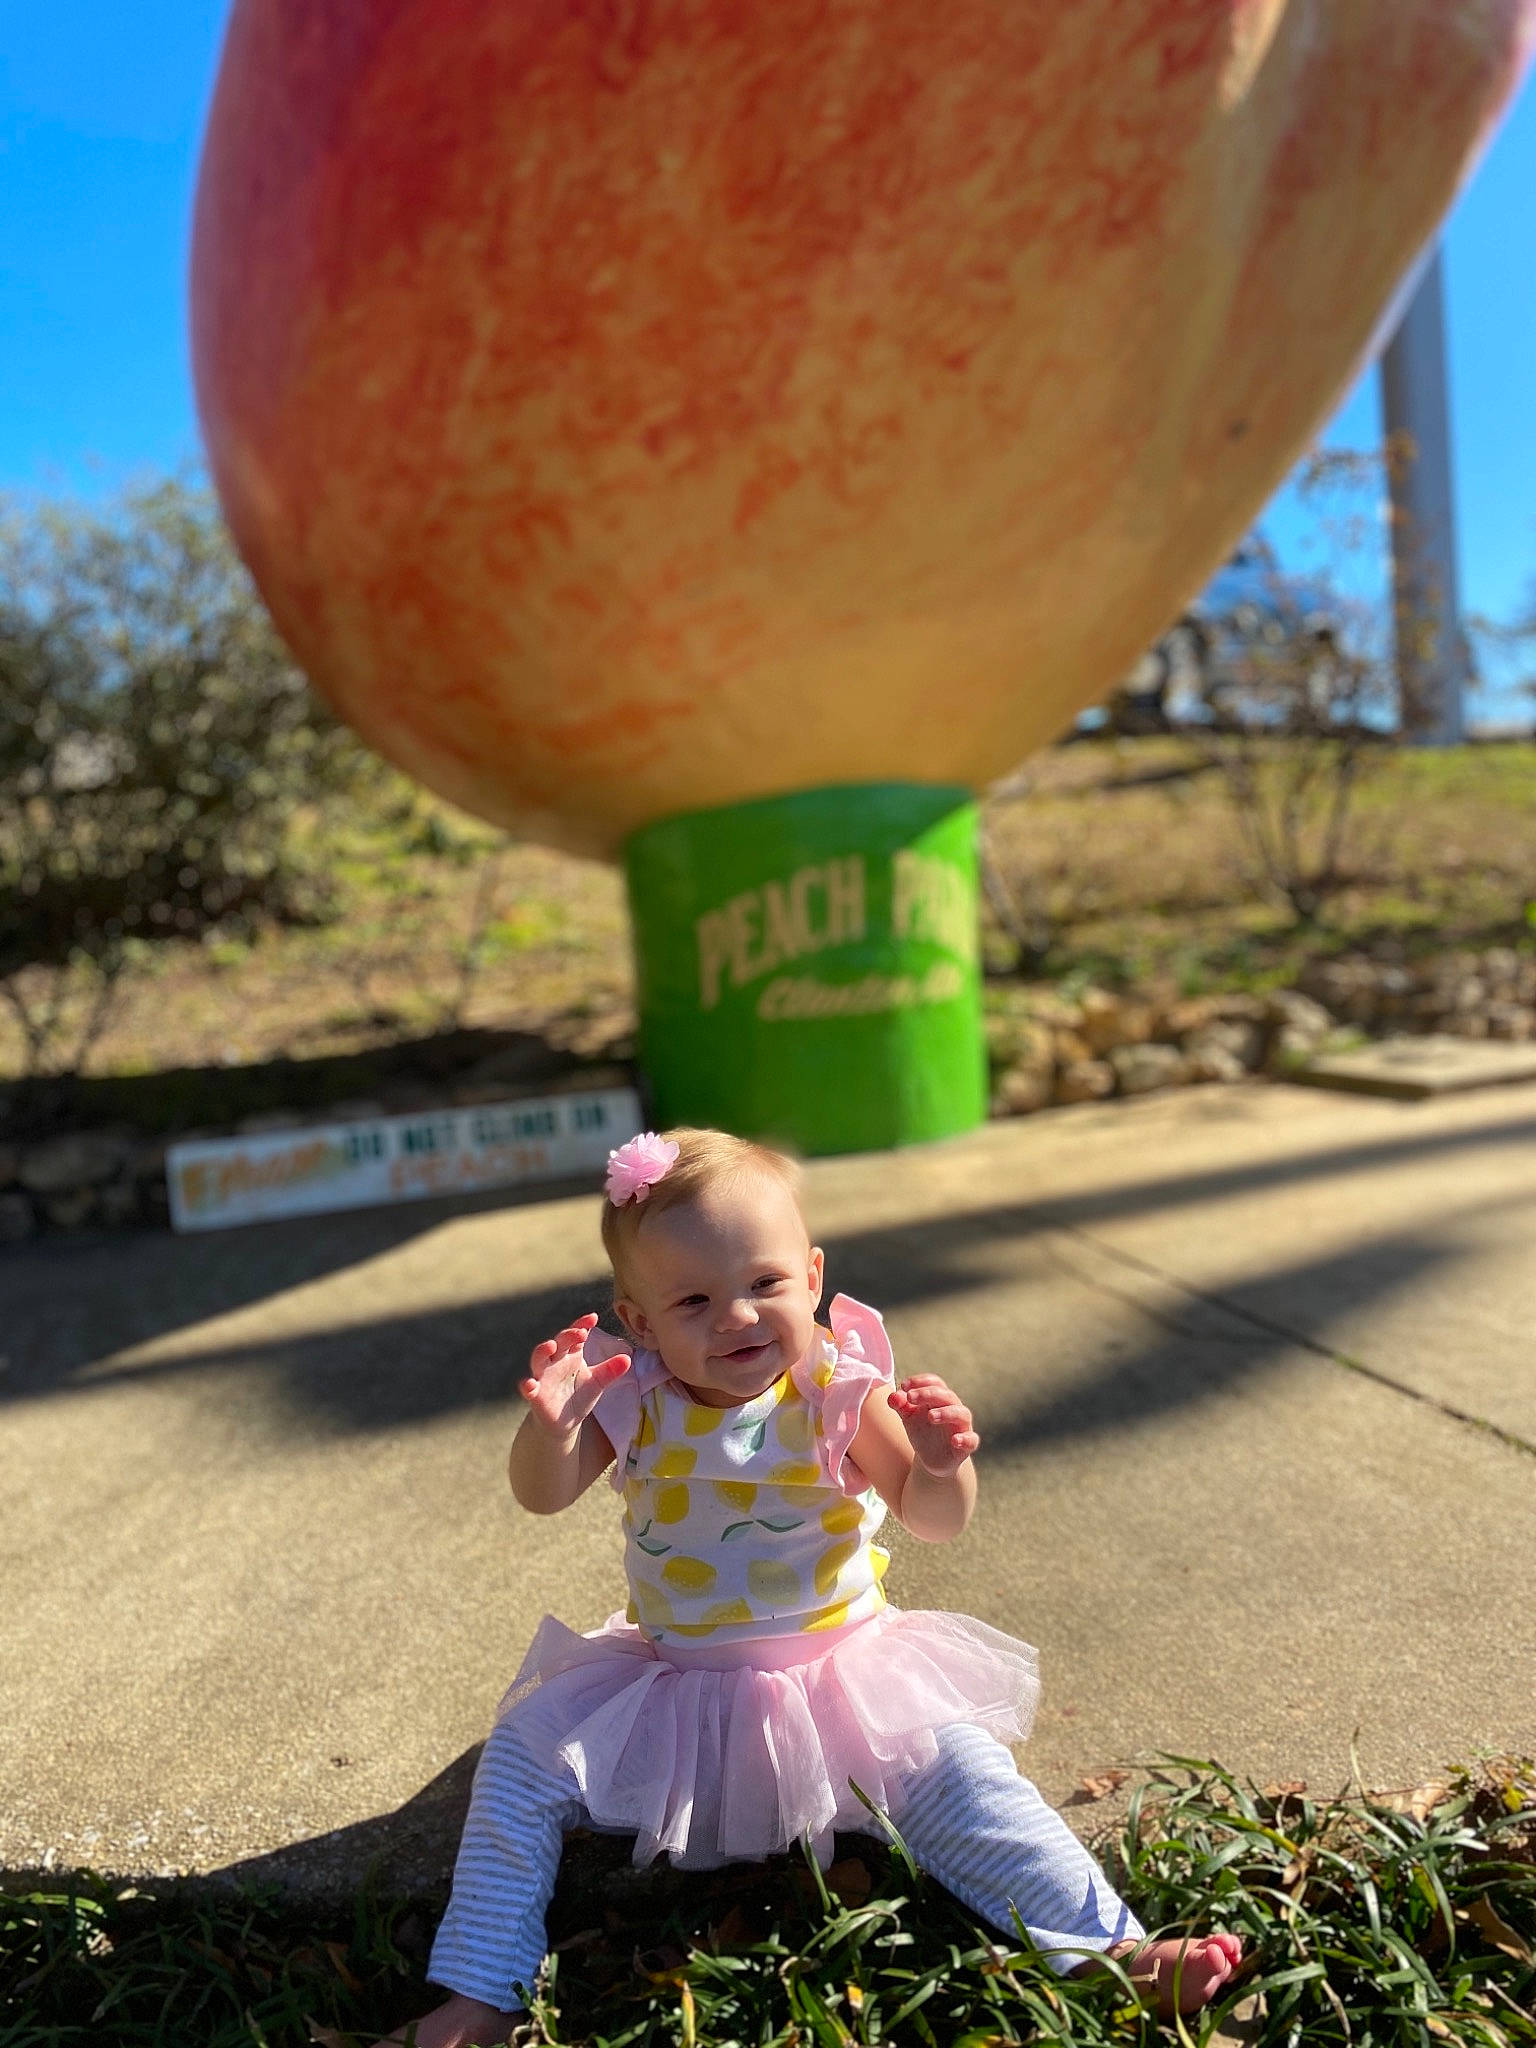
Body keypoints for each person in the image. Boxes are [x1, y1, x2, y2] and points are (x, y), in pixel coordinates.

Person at [376, 1128, 1241, 2047]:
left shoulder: (838, 1383)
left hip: (846, 1680)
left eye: (764, 1285)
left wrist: (943, 1465)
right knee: (523, 1755)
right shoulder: (634, 1397)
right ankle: (480, 1988)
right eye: (695, 1300)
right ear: (640, 1321)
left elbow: (929, 1514)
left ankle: (1110, 1948)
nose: (738, 1318)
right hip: (680, 1695)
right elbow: (541, 1498)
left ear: (814, 1274)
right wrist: (549, 1433)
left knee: (968, 1777)